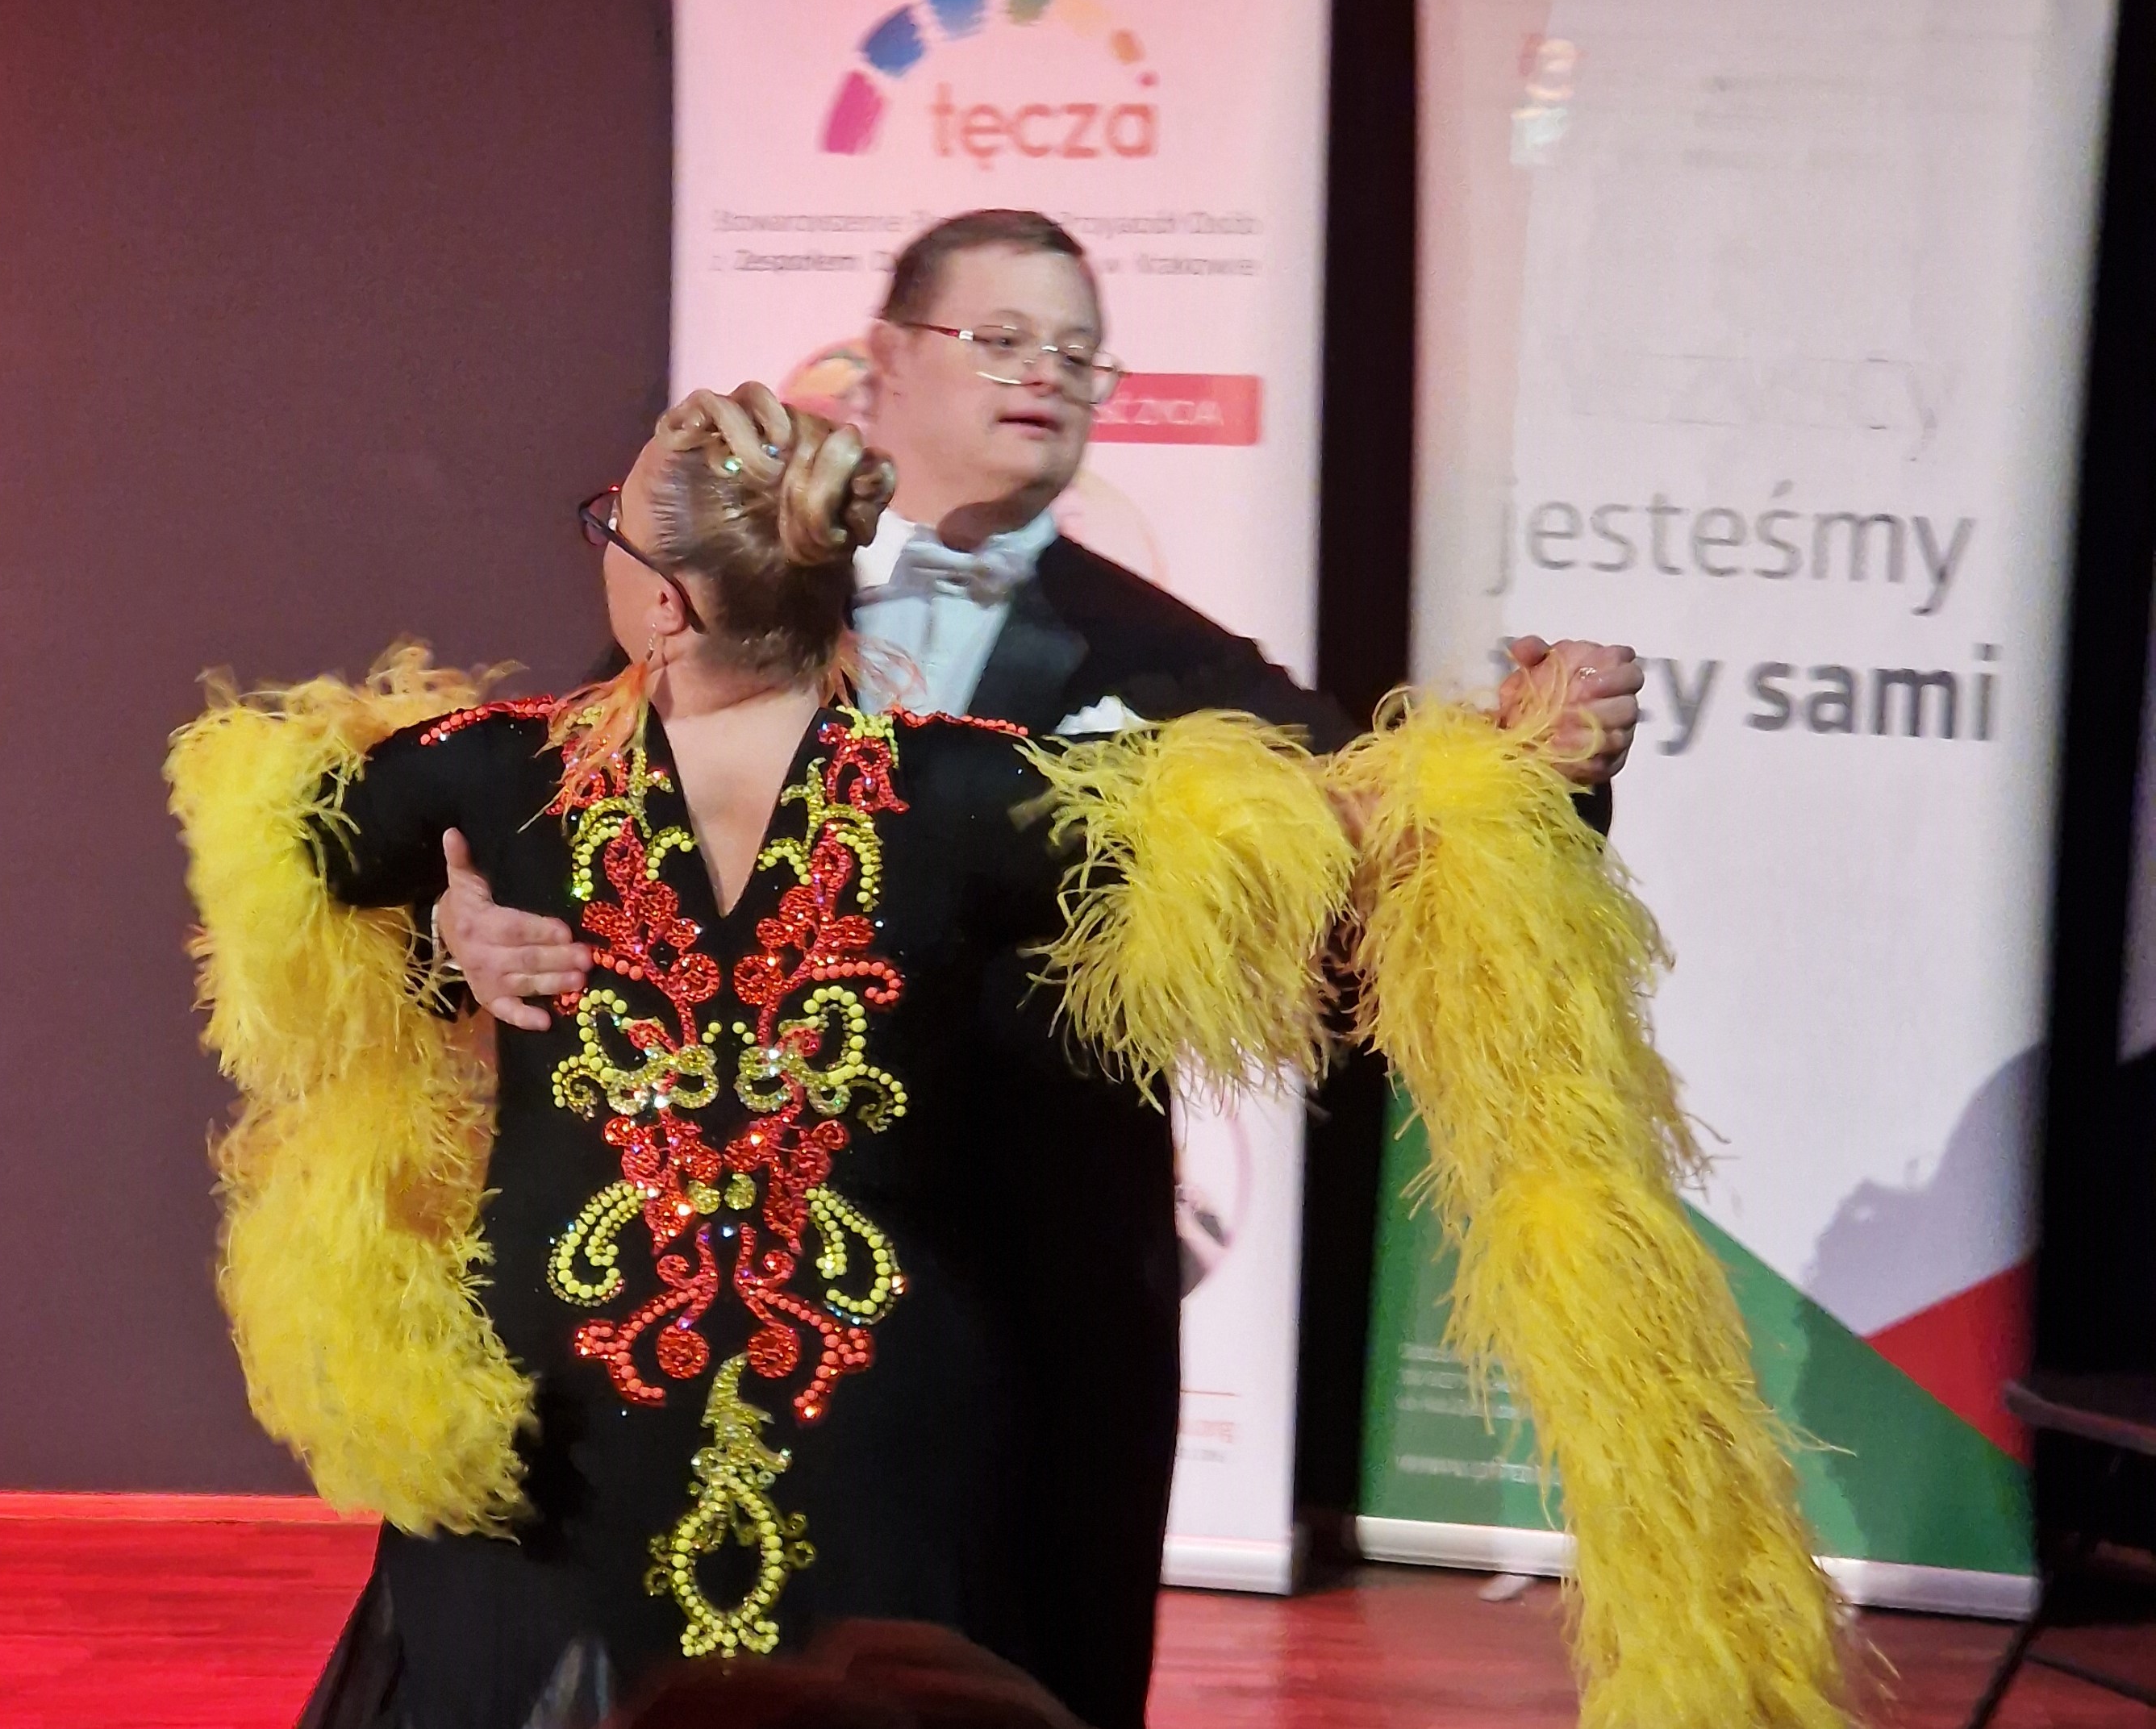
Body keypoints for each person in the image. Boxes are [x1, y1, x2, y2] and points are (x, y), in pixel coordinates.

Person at [169, 384, 1847, 1729]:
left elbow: (281, 848)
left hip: (565, 1412)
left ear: (661, 601)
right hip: (881, 1411)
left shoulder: (489, 773)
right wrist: (1532, 767)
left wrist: (442, 925)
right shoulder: (974, 791)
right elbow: (1345, 861)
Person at [427, 211, 1644, 1725]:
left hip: (1005, 1331)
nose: (1047, 374)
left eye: (1080, 351)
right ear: (882, 362)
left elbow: (1383, 896)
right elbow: (515, 844)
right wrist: (461, 934)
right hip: (647, 1312)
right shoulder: (717, 597)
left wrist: (1539, 778)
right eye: (1000, 338)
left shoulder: (1182, 669)